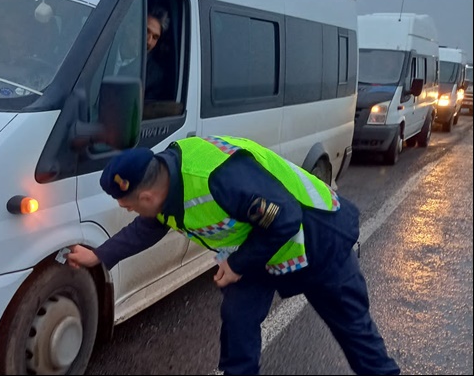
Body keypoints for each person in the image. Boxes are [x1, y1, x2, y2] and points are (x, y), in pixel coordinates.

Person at [66, 135, 401, 375]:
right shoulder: (164, 180)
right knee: (238, 323)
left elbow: (286, 219)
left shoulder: (218, 177)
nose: (129, 212)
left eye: (130, 205)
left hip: (316, 240)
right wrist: (101, 256)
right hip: (255, 250)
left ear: (150, 196)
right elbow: (148, 227)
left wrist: (236, 265)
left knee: (354, 332)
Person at [115, 6, 170, 101]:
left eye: (155, 37)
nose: (149, 41)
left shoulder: (153, 76)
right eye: (146, 31)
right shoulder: (102, 49)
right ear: (129, 26)